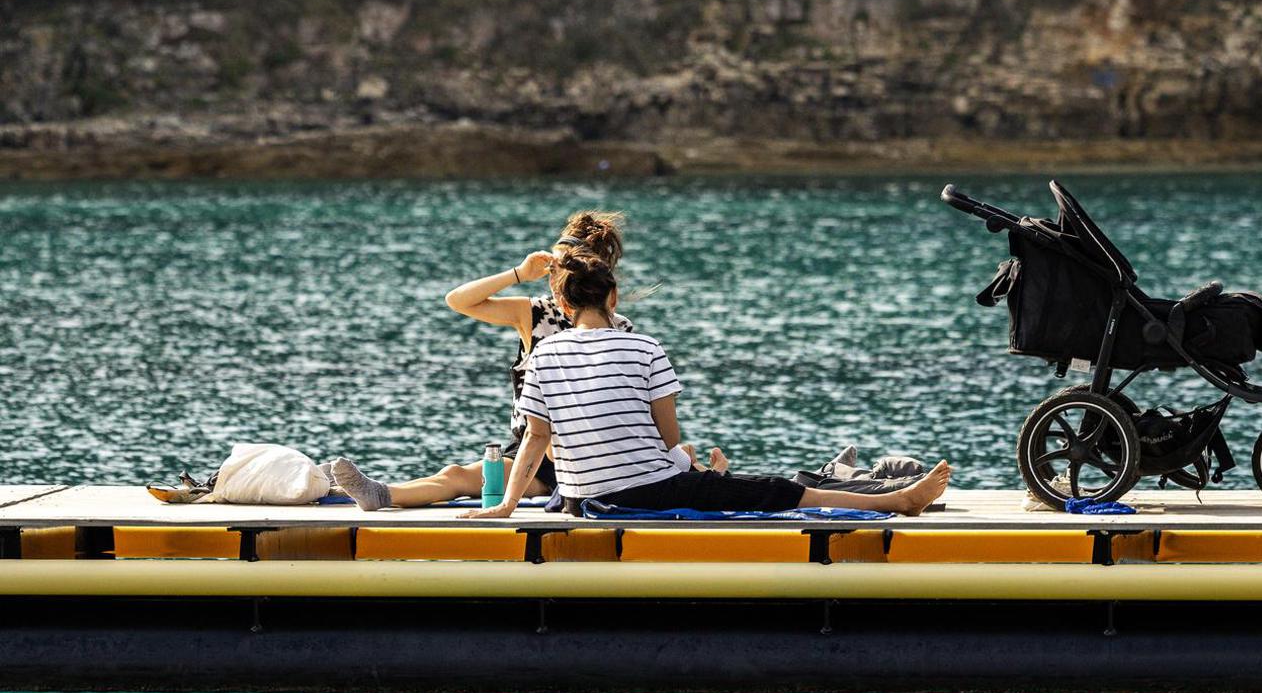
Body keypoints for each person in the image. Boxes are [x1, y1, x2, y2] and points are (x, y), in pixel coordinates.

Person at [459, 251, 950, 520]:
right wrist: (689, 468)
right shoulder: (644, 347)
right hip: (640, 492)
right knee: (772, 489)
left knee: (714, 480)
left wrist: (505, 507)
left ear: (564, 306)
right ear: (613, 297)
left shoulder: (543, 353)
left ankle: (714, 478)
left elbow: (536, 438)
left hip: (577, 499)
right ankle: (894, 501)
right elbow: (668, 437)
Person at [332, 211, 696, 511]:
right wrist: (518, 274)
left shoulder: (621, 330)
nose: (552, 278)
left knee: (460, 477)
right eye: (551, 269)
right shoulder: (536, 312)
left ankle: (381, 494)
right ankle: (379, 493)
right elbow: (457, 300)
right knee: (459, 474)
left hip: (583, 446)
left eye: (558, 269)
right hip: (532, 442)